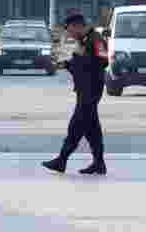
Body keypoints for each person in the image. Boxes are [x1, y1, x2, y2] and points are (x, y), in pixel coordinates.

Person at [43, 12, 109, 176]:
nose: (70, 35)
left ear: (77, 26)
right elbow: (78, 63)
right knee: (91, 129)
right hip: (84, 89)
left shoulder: (95, 39)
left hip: (91, 90)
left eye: (70, 31)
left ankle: (61, 160)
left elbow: (103, 60)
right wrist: (64, 64)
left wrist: (81, 59)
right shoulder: (84, 41)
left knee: (76, 126)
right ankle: (99, 163)